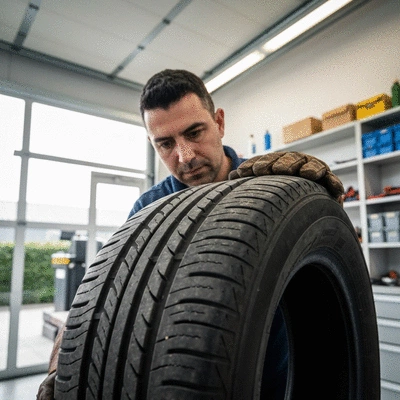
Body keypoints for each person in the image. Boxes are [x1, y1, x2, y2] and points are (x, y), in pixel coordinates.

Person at [37, 69, 344, 399]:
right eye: (166, 144)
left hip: (283, 378)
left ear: (220, 123)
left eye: (194, 132)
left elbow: (331, 257)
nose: (184, 157)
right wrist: (63, 366)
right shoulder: (148, 208)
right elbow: (101, 296)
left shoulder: (272, 184)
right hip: (191, 382)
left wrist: (315, 196)